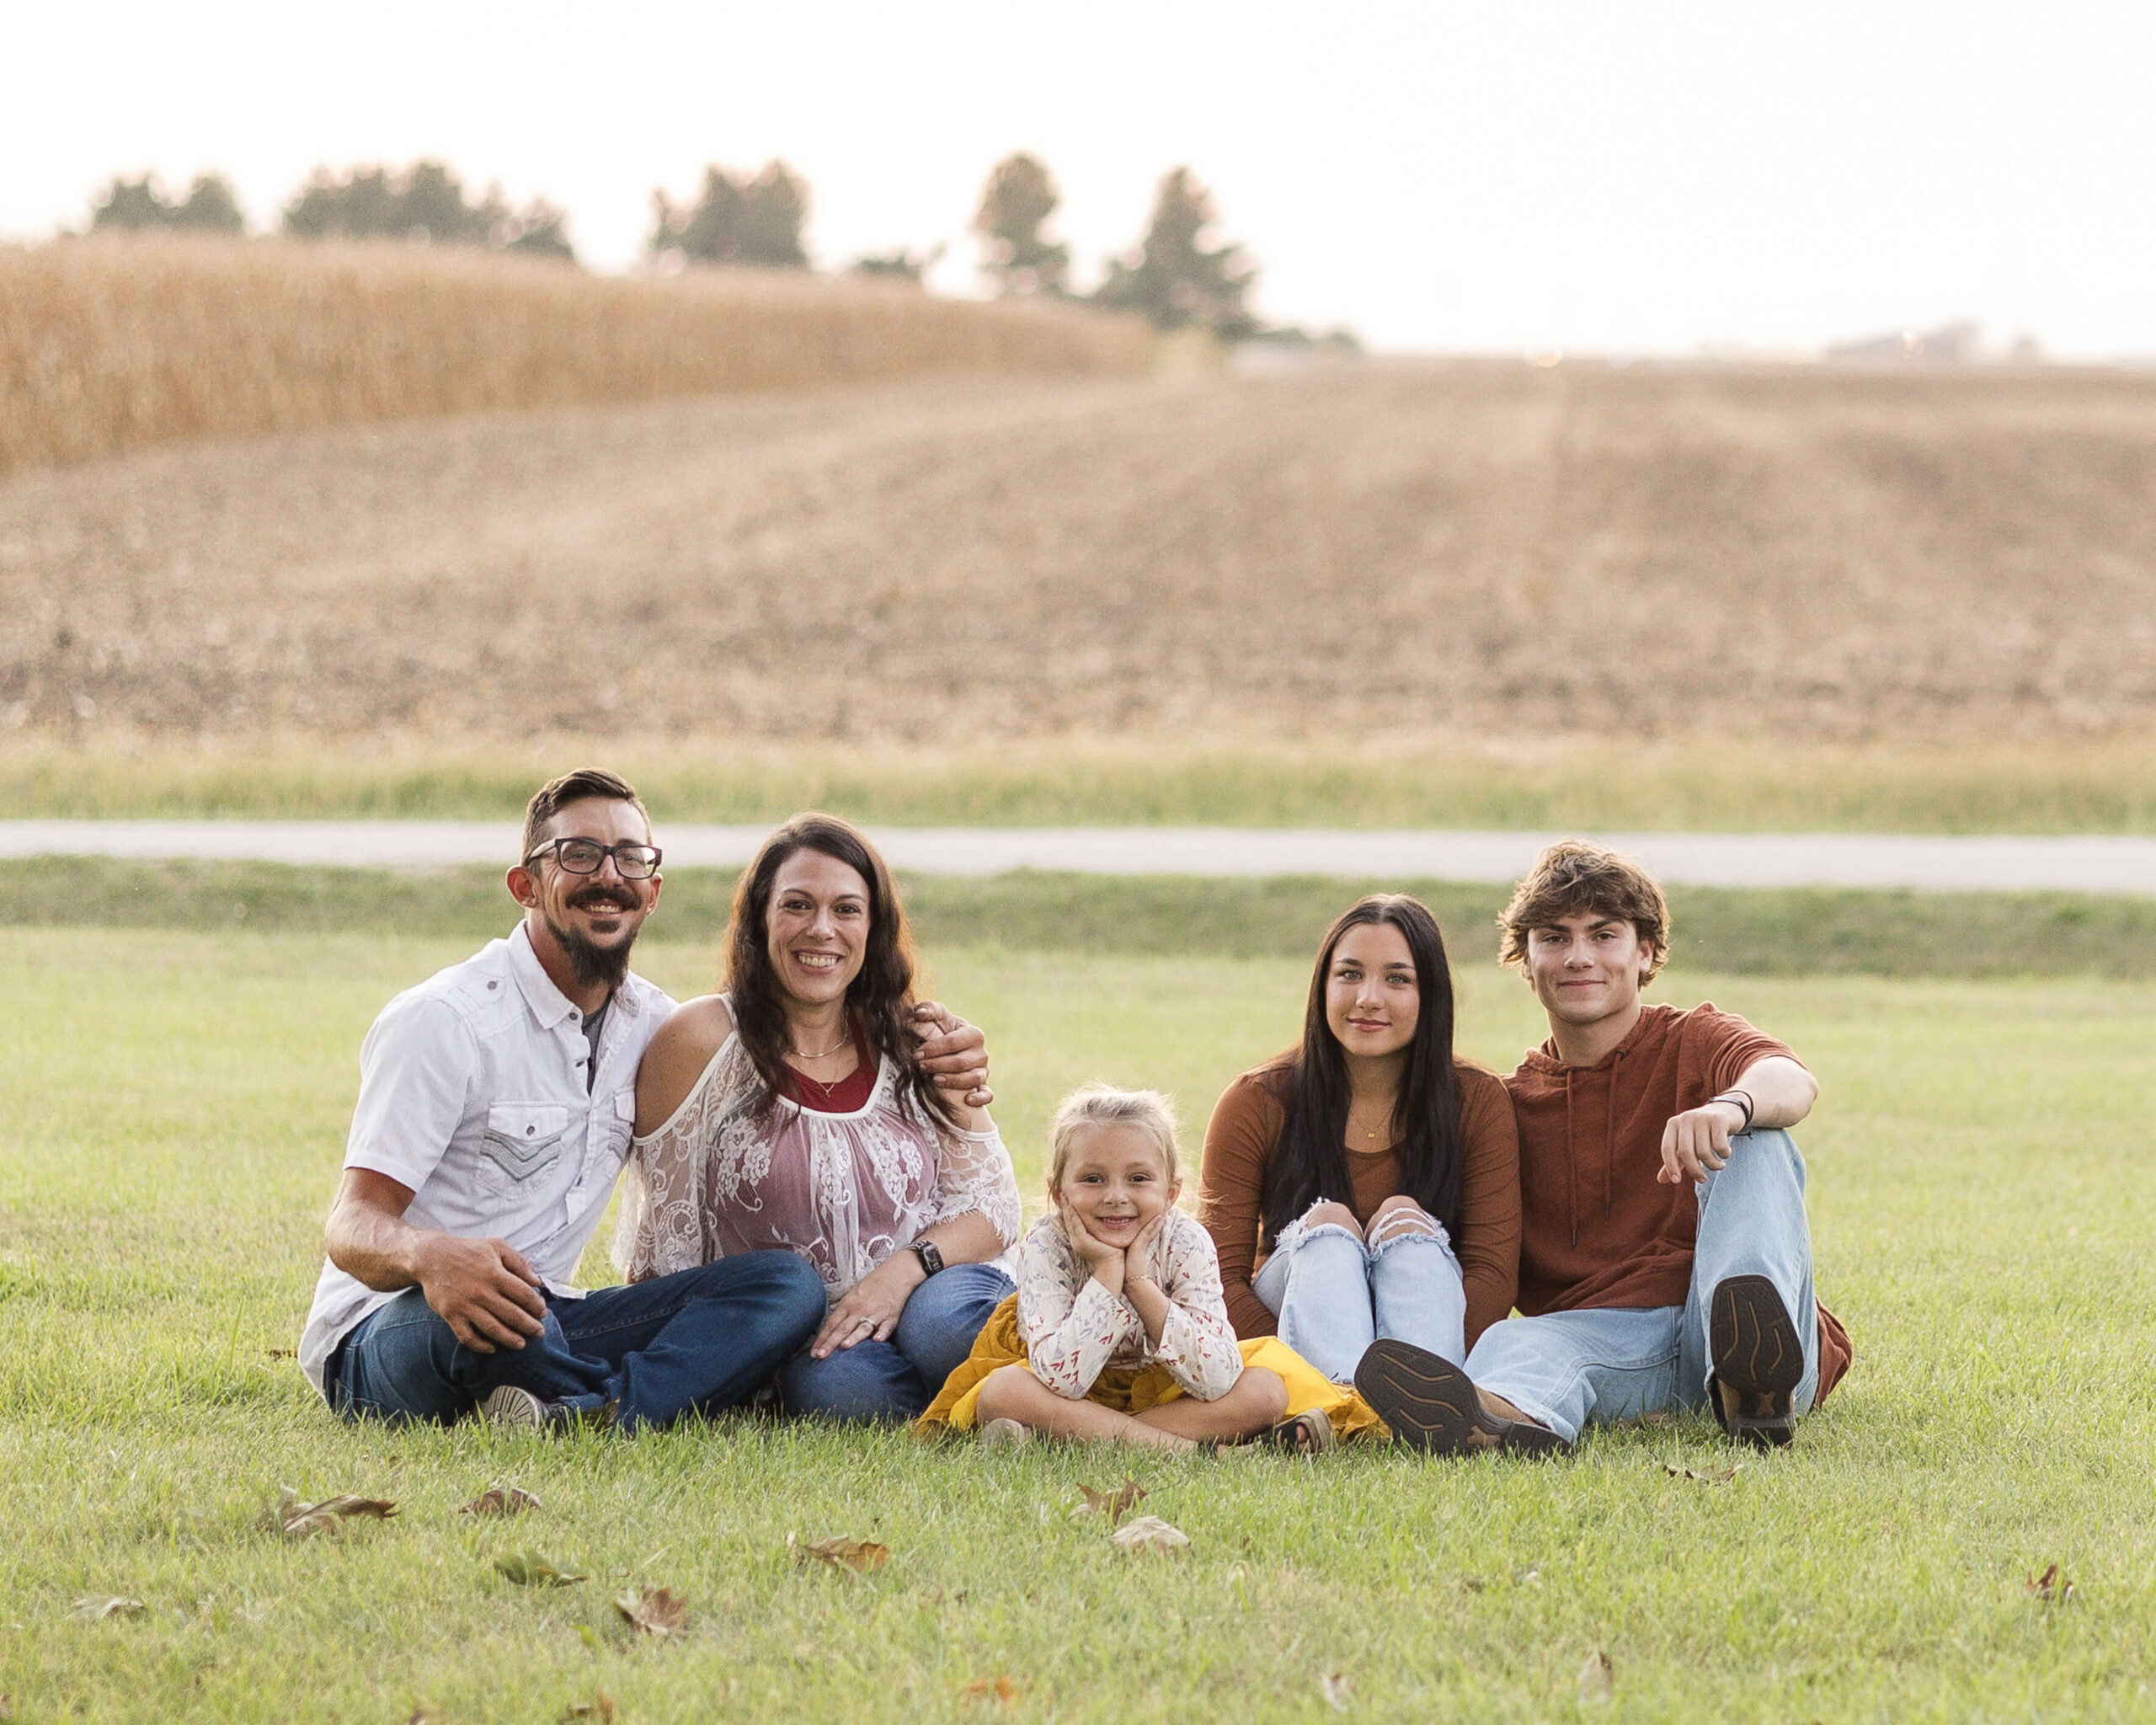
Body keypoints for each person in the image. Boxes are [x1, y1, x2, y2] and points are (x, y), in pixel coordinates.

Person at [299, 770, 991, 1433]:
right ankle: (618, 1396)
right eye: (578, 855)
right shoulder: (446, 1021)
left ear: (652, 892)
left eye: (630, 859)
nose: (608, 876)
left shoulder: (655, 1029)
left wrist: (934, 1042)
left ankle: (592, 1413)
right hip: (402, 1324)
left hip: (551, 1316)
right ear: (525, 885)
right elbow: (352, 1224)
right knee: (485, 1322)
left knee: (786, 1286)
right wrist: (433, 1258)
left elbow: (806, 1045)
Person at [1353, 841, 1854, 1455]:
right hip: (1611, 1346)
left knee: (1757, 1137)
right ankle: (1493, 1419)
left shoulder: (1696, 1039)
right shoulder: (1504, 1108)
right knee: (1519, 1342)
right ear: (1525, 959)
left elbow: (1791, 1081)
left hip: (1723, 1317)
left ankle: (1750, 1382)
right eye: (1554, 938)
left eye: (1604, 935)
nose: (1578, 957)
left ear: (1645, 952)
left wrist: (1730, 1107)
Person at [616, 813, 1022, 1422]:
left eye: (847, 910)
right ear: (760, 918)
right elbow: (669, 1244)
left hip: (934, 1283)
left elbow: (995, 1206)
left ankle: (1030, 1391)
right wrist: (730, 1350)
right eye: (797, 905)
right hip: (815, 1335)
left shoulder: (921, 1040)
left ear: (874, 928)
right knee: (838, 1395)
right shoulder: (703, 1040)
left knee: (946, 1332)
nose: (822, 930)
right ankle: (992, 1407)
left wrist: (902, 1273)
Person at [918, 1086, 1378, 1451]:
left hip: (1169, 1388)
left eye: (1138, 1179)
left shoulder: (1187, 1240)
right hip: (1069, 1389)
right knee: (1003, 1392)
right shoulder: (1047, 1242)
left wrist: (1139, 1283)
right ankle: (1192, 1451)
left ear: (1171, 1192)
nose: (1116, 1196)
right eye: (1092, 1179)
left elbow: (1217, 1378)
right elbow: (1061, 1379)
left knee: (1265, 1392)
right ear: (1058, 1193)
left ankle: (1075, 1437)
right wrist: (1106, 1273)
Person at [1197, 895, 1522, 1384]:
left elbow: (1492, 1275)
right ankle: (1339, 1402)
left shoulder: (1477, 1100)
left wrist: (1452, 1368)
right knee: (1330, 1225)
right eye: (1349, 974)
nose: (1369, 998)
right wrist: (1287, 1373)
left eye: (1397, 979)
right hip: (1295, 1333)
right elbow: (1216, 1279)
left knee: (1403, 1219)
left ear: (1431, 994)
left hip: (1427, 1332)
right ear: (1322, 986)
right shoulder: (1255, 1101)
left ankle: (1419, 1397)